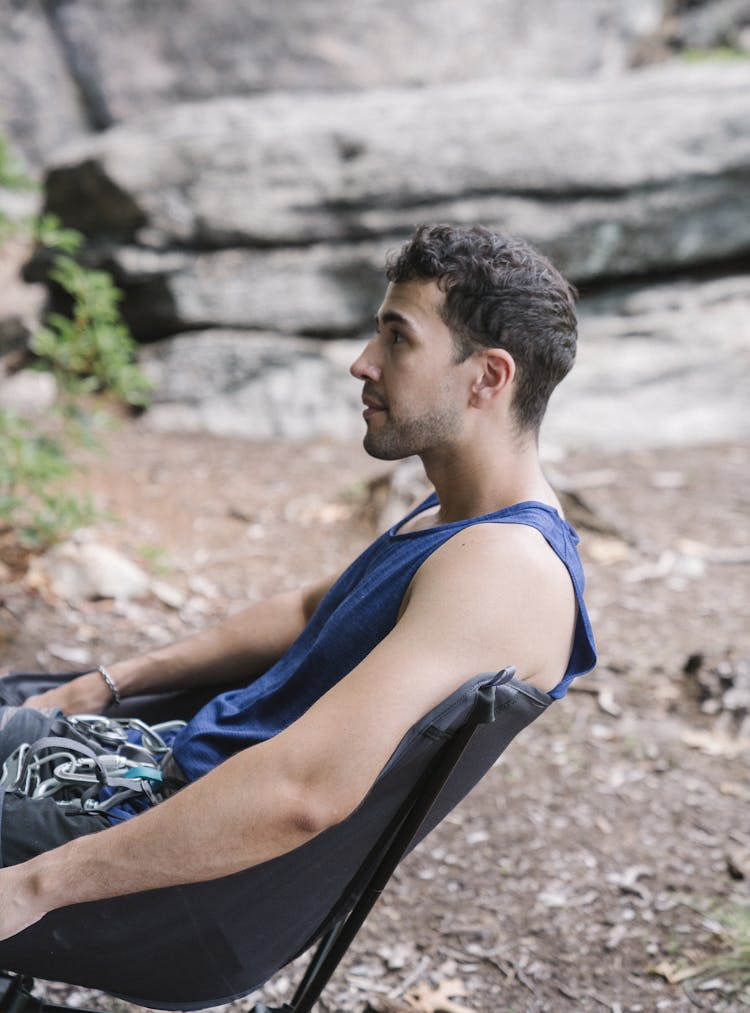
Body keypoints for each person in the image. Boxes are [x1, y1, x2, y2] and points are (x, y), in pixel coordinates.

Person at [0, 222, 596, 940]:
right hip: (152, 775)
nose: (362, 363)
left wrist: (35, 884)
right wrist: (106, 683)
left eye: (398, 339)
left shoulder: (504, 569)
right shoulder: (461, 516)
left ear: (488, 377)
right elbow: (320, 605)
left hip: (175, 877)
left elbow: (303, 793)